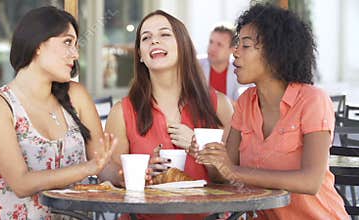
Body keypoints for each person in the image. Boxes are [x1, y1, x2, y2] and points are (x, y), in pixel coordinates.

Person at [194, 4, 349, 219]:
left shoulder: (312, 100)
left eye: (245, 46)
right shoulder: (246, 102)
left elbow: (311, 181)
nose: (235, 52)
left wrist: (233, 171)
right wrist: (210, 156)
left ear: (276, 54)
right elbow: (224, 176)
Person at [0, 6, 117, 219]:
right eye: (67, 42)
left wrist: (132, 173)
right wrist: (87, 168)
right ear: (37, 44)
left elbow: (102, 165)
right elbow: (21, 183)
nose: (75, 54)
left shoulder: (77, 96)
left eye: (76, 44)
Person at [102, 10, 233, 220]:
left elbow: (230, 179)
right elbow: (106, 170)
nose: (154, 41)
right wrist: (133, 173)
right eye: (146, 38)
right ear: (140, 55)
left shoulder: (220, 105)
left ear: (183, 45)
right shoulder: (122, 111)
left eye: (164, 34)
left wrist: (198, 147)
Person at [199, 25, 241, 101]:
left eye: (219, 44)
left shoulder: (240, 70)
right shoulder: (195, 65)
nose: (212, 48)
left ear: (232, 49)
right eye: (211, 42)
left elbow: (242, 105)